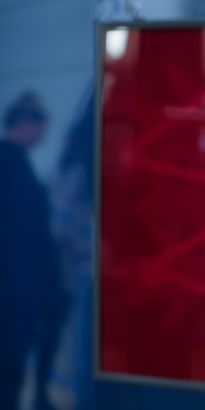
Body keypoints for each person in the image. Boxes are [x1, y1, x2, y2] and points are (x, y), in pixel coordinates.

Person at [0, 91, 69, 410]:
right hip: (18, 285)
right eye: (41, 126)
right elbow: (21, 233)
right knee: (11, 358)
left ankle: (33, 396)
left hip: (23, 282)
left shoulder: (16, 163)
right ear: (25, 123)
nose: (43, 134)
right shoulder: (9, 163)